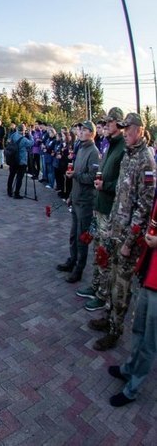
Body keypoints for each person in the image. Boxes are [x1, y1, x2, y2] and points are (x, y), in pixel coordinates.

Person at [88, 113, 156, 351]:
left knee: (121, 287)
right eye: (124, 128)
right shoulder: (128, 155)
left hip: (130, 238)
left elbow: (144, 207)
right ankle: (108, 318)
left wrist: (130, 241)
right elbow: (121, 197)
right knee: (111, 276)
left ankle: (115, 331)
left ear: (139, 130)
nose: (124, 132)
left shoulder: (146, 160)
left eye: (129, 129)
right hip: (115, 230)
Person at [74, 108, 125, 310]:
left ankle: (103, 295)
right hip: (99, 206)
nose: (105, 126)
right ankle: (95, 287)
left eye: (109, 122)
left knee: (105, 253)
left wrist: (106, 186)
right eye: (105, 123)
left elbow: (124, 183)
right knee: (98, 250)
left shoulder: (122, 148)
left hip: (109, 209)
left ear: (119, 124)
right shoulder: (109, 146)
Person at [107, 214, 157, 407]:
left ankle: (133, 388)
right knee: (138, 329)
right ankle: (129, 369)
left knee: (149, 341)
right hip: (149, 272)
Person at [58, 121, 99, 283]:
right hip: (76, 198)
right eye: (80, 129)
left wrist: (75, 175)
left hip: (85, 202)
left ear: (91, 133)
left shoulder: (93, 152)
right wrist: (70, 196)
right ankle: (72, 260)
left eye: (83, 130)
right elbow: (76, 174)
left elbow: (92, 178)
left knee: (82, 237)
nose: (80, 132)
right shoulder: (81, 148)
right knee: (73, 235)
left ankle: (79, 268)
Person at [6, 124, 32, 199]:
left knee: (11, 175)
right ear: (23, 131)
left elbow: (9, 140)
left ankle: (9, 191)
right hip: (21, 160)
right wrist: (30, 135)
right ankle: (16, 193)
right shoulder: (23, 139)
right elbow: (31, 143)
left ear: (18, 129)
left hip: (13, 159)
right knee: (19, 177)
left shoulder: (14, 135)